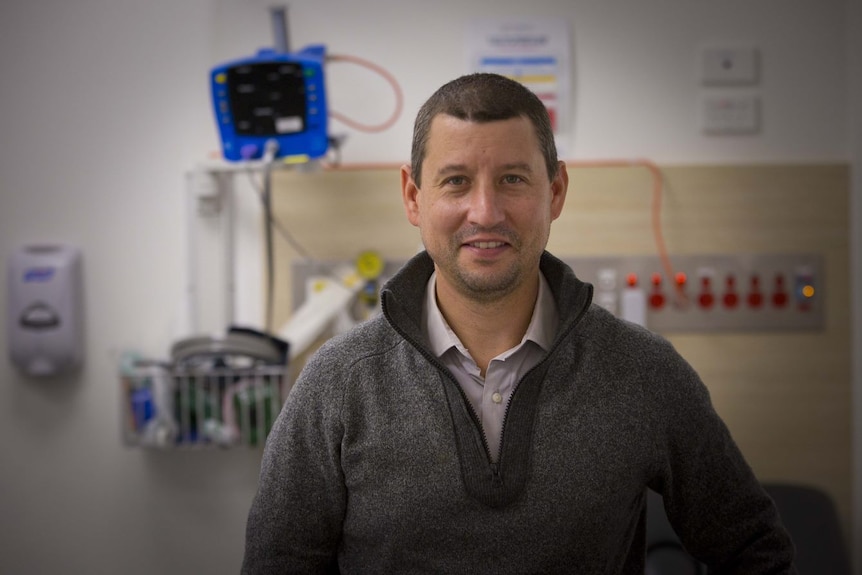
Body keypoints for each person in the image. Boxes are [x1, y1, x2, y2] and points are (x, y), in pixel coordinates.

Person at [241, 73, 796, 574]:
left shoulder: (644, 373)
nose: (485, 212)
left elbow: (753, 552)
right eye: (456, 181)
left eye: (512, 179)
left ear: (554, 192)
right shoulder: (337, 384)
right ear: (413, 196)